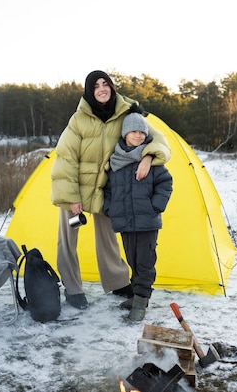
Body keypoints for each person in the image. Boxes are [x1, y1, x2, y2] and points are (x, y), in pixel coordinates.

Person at [51, 70, 171, 310]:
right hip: (77, 188)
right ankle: (73, 288)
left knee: (108, 238)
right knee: (68, 237)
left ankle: (117, 282)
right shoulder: (78, 120)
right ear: (89, 91)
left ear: (112, 87)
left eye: (105, 84)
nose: (101, 89)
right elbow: (65, 159)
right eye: (96, 86)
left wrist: (148, 157)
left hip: (108, 189)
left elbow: (160, 142)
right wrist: (72, 198)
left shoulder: (128, 113)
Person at [103, 110, 173, 321]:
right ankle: (137, 297)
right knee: (132, 259)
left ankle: (141, 302)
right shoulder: (116, 163)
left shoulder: (151, 160)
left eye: (142, 132)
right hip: (125, 222)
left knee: (145, 262)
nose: (138, 135)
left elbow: (166, 183)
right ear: (124, 134)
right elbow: (107, 191)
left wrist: (155, 206)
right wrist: (110, 209)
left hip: (146, 221)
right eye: (133, 131)